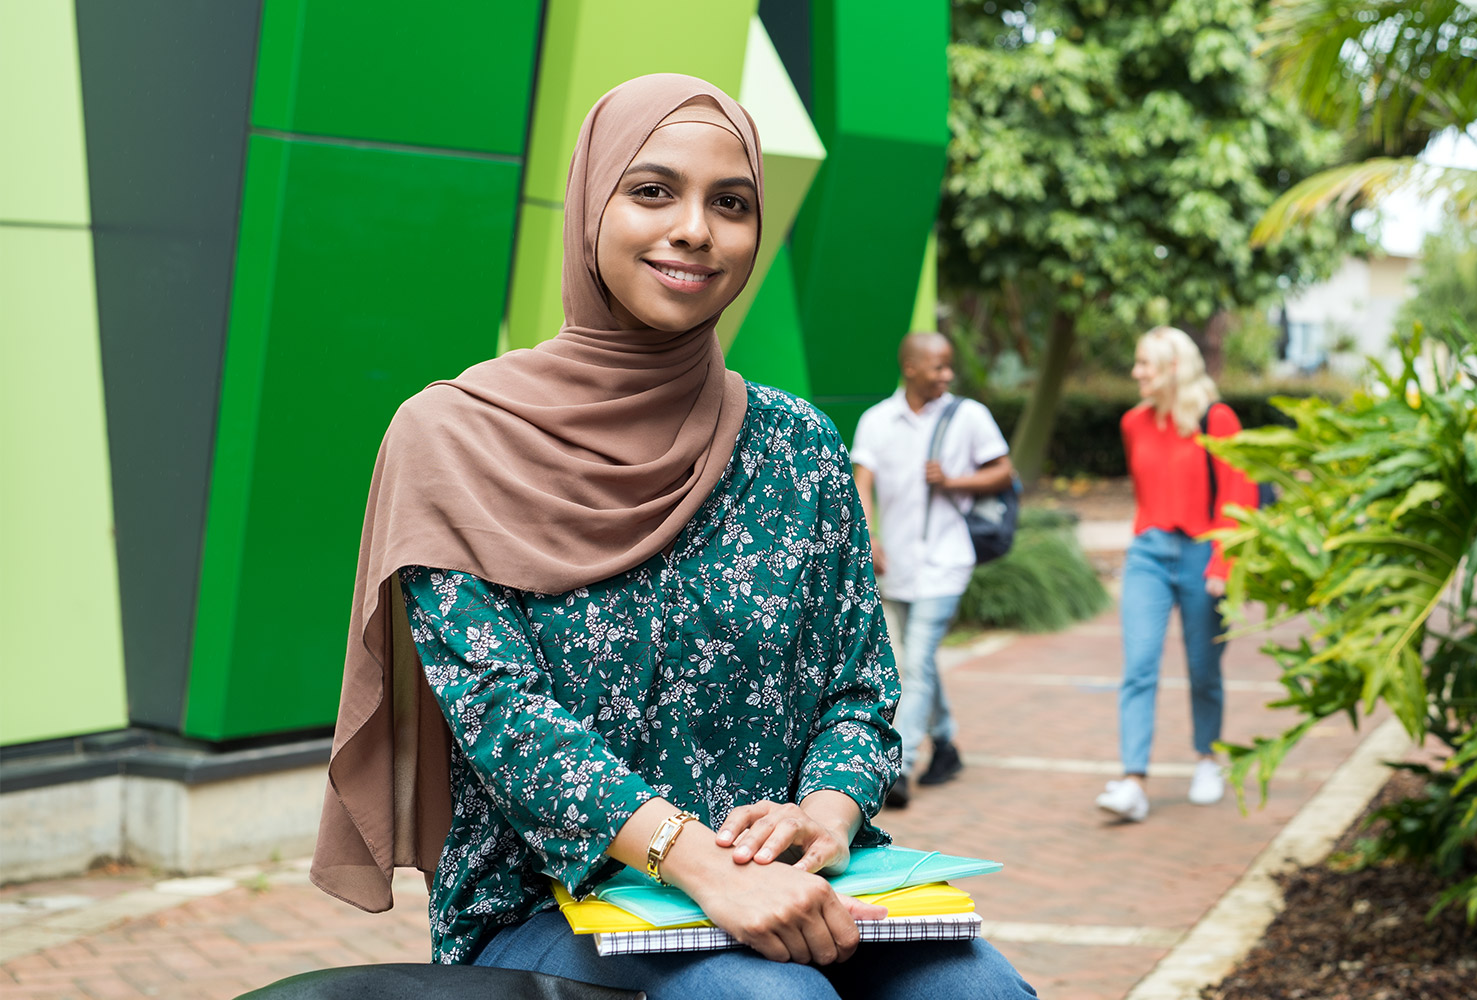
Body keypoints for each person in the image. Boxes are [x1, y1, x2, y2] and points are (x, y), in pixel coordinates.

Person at [310, 75, 1035, 998]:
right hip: (557, 904)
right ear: (589, 204)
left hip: (794, 881)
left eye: (730, 203)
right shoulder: (452, 437)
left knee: (980, 992)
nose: (695, 228)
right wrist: (693, 860)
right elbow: (499, 713)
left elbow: (860, 685)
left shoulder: (796, 445)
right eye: (653, 191)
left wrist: (829, 812)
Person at [1095, 326, 1257, 823]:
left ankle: (1208, 758)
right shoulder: (1133, 422)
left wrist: (1223, 564)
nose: (1136, 372)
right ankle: (1134, 781)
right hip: (1149, 552)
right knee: (1139, 666)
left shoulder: (1217, 418)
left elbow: (1240, 492)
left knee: (1204, 668)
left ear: (1172, 368)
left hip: (1203, 553)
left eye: (1145, 363)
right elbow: (1147, 492)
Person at [850, 332, 1014, 808]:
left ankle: (898, 766)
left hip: (946, 560)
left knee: (913, 663)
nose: (947, 375)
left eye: (949, 367)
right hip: (894, 563)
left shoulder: (969, 416)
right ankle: (946, 742)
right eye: (938, 367)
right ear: (911, 369)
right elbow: (863, 483)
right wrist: (870, 538)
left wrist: (956, 480)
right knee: (917, 663)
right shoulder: (878, 421)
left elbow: (1004, 471)